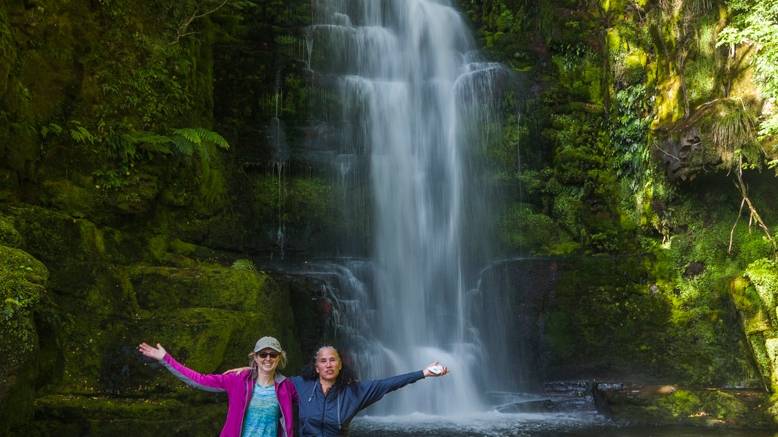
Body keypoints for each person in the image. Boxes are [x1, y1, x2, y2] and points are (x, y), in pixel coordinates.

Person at [137, 336, 296, 437]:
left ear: (279, 358)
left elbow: (316, 390)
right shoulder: (238, 380)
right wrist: (165, 358)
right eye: (263, 354)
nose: (268, 358)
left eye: (273, 354)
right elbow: (198, 380)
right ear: (255, 357)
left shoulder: (287, 386)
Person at [293, 345, 448, 436]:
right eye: (323, 361)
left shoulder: (354, 392)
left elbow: (387, 384)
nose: (328, 365)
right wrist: (269, 356)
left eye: (333, 360)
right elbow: (273, 384)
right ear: (316, 368)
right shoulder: (301, 385)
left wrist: (423, 373)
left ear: (340, 365)